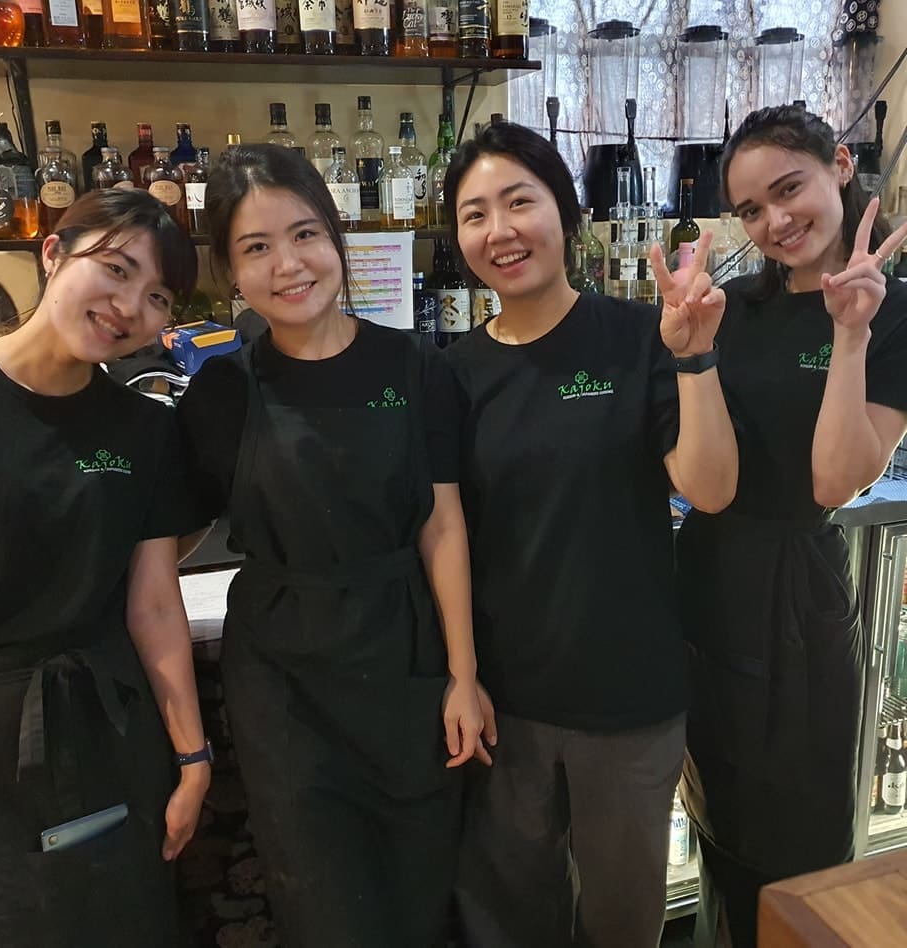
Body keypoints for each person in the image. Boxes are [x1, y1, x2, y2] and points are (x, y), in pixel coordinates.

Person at [175, 143, 489, 948]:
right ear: (230, 271)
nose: (288, 265)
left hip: (405, 661)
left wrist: (463, 677)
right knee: (322, 907)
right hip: (283, 686)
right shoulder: (222, 390)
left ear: (336, 237)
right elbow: (166, 536)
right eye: (257, 247)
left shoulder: (416, 366)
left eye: (305, 234)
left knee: (419, 894)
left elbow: (442, 525)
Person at [442, 120, 739, 947]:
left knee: (622, 922)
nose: (500, 231)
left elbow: (710, 488)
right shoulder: (453, 374)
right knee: (510, 923)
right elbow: (446, 534)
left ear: (565, 212)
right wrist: (462, 678)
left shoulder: (637, 336)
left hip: (627, 700)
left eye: (519, 202)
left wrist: (696, 358)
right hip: (505, 705)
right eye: (474, 214)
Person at [0, 188, 210, 947]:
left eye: (157, 296)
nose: (130, 307)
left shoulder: (143, 428)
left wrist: (193, 756)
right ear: (53, 253)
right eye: (117, 269)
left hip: (111, 727)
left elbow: (153, 605)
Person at [677, 104, 907, 947]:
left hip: (801, 601)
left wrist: (850, 337)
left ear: (839, 166)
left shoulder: (893, 313)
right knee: (718, 824)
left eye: (788, 189)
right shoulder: (731, 307)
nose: (775, 221)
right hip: (707, 582)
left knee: (802, 843)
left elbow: (835, 480)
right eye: (750, 209)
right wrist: (690, 352)